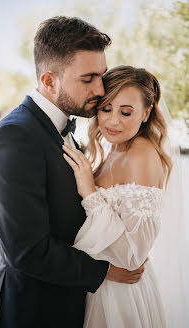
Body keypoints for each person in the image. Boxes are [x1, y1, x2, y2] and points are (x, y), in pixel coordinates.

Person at [0, 18, 146, 328]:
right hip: (34, 310)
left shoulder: (62, 126)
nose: (101, 89)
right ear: (49, 81)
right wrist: (106, 270)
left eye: (102, 75)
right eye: (88, 79)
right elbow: (27, 251)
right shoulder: (14, 137)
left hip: (70, 300)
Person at [63, 65, 173, 327]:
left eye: (126, 112)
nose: (114, 121)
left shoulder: (141, 156)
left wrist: (89, 191)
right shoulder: (114, 149)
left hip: (120, 293)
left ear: (146, 113)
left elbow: (133, 257)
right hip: (101, 284)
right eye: (106, 109)